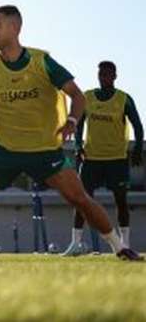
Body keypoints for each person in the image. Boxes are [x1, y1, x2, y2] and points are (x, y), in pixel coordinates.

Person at [0, 5, 141, 261]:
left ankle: (119, 247)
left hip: (44, 151)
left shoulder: (42, 62)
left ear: (14, 28)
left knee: (80, 199)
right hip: (4, 150)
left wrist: (71, 119)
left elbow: (78, 96)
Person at [63, 61, 143, 256]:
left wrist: (139, 148)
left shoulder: (124, 99)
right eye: (101, 74)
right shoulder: (88, 97)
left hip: (116, 158)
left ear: (115, 76)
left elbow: (138, 126)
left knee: (121, 200)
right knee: (81, 199)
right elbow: (80, 124)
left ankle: (124, 244)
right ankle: (76, 244)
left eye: (107, 75)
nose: (104, 78)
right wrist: (78, 145)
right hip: (91, 158)